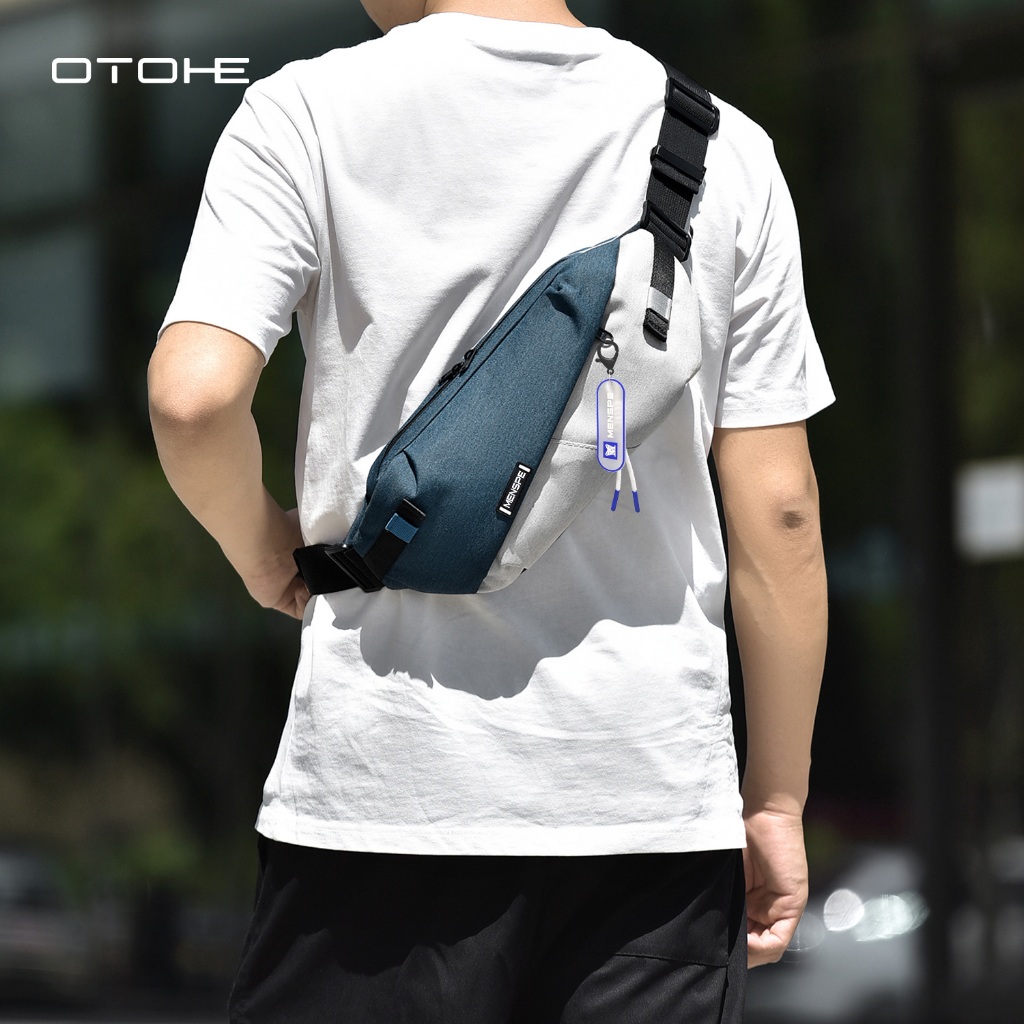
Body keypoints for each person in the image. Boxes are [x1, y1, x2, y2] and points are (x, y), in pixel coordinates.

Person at [148, 0, 832, 1020]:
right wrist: (774, 797)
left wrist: (260, 548)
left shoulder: (304, 113)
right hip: (647, 824)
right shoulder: (721, 145)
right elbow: (780, 513)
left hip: (381, 813)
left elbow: (192, 399)